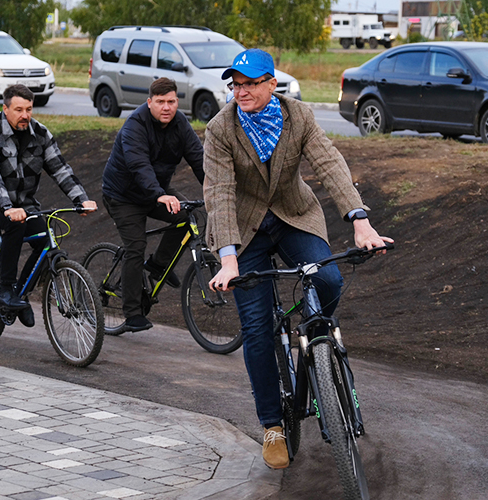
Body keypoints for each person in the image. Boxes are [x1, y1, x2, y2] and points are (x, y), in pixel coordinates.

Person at [203, 49, 393, 470]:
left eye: (251, 83)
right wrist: (228, 258)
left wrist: (360, 222)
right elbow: (217, 194)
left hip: (293, 215)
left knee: (327, 281)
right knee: (255, 328)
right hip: (243, 228)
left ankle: (318, 344)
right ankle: (272, 425)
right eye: (236, 84)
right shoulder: (220, 129)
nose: (242, 91)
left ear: (273, 83)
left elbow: (330, 163)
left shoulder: (299, 116)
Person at [0, 84, 97, 327]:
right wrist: (6, 207)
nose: (24, 115)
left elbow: (60, 169)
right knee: (13, 224)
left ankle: (20, 296)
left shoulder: (40, 134)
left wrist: (80, 199)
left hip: (23, 204)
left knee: (45, 241)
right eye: (18, 109)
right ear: (5, 109)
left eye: (28, 109)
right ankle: (6, 292)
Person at [101, 77, 205, 333]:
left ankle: (158, 265)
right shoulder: (134, 126)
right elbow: (138, 165)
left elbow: (199, 159)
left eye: (171, 101)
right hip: (123, 195)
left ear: (177, 102)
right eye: (160, 102)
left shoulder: (181, 123)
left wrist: (216, 190)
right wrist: (159, 194)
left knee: (187, 217)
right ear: (149, 103)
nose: (166, 107)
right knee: (135, 246)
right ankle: (133, 313)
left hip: (156, 189)